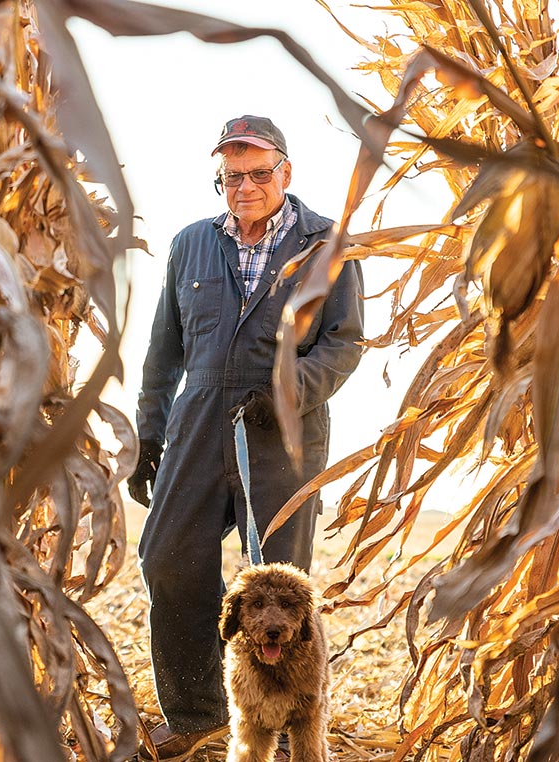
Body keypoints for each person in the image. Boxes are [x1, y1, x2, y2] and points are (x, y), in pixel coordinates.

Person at [127, 115, 364, 762]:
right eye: (233, 176)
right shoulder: (189, 245)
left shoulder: (328, 245)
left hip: (284, 436)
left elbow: (344, 345)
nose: (246, 186)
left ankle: (287, 728)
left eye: (260, 173)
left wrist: (289, 392)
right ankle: (197, 712)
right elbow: (162, 352)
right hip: (198, 426)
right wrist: (149, 435)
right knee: (168, 557)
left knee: (280, 591)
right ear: (220, 180)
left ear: (286, 173)